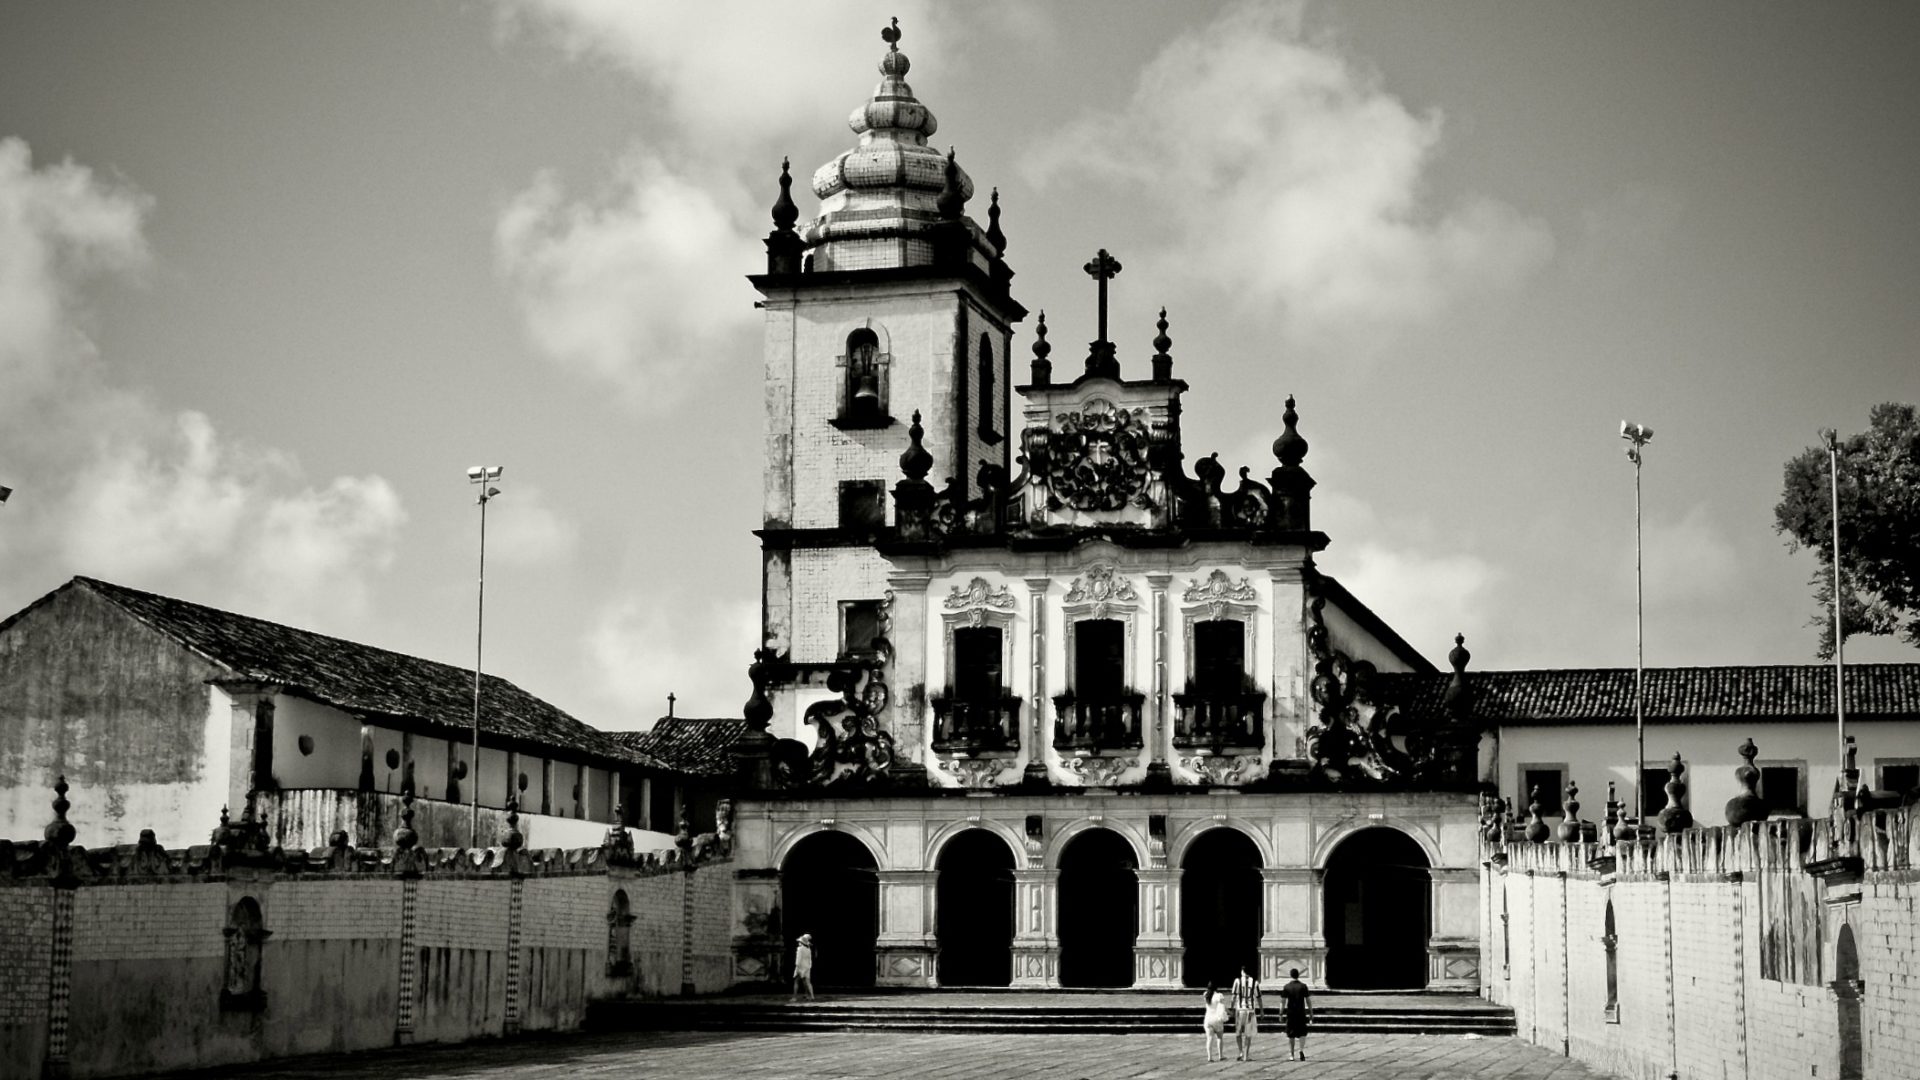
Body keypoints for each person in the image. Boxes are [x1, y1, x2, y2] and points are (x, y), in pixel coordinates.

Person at [1230, 963, 1262, 1061]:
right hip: (1250, 1010)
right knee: (1248, 1033)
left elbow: (1234, 996)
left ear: (1242, 971)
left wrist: (1231, 1008)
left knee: (1238, 1032)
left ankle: (1240, 1052)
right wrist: (1261, 1010)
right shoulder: (1255, 982)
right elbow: (1259, 998)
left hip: (1240, 1009)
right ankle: (1246, 1055)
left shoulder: (1237, 981)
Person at [1280, 968, 1312, 1062]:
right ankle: (1301, 1050)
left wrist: (1281, 1013)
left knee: (1291, 1034)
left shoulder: (1287, 987)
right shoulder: (1303, 986)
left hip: (1291, 1013)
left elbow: (1283, 1002)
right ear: (1298, 975)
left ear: (1290, 975)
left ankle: (1291, 1054)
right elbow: (1308, 1001)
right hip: (1301, 1012)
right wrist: (1311, 1012)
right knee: (1302, 1033)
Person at [1201, 981, 1230, 1062]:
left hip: (1208, 1019)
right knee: (1219, 1037)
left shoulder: (1205, 995)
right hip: (1217, 1019)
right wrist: (1230, 1012)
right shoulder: (1219, 996)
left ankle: (1209, 1057)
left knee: (1209, 1038)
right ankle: (1220, 1055)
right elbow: (1222, 1007)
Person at [791, 932, 815, 1002]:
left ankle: (794, 997)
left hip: (800, 966)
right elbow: (810, 960)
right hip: (807, 967)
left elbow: (798, 960)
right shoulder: (808, 950)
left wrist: (797, 967)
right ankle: (811, 996)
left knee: (796, 981)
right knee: (807, 982)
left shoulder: (800, 949)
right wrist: (809, 967)